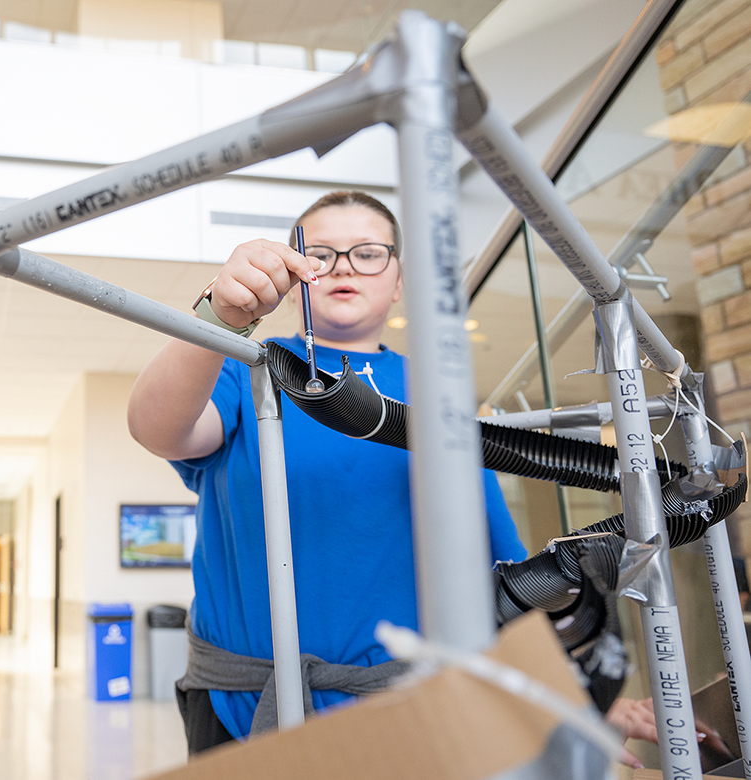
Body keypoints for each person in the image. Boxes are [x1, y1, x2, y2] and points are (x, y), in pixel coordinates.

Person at [128, 190, 527, 754]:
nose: (342, 267)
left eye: (368, 253)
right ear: (296, 275)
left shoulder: (437, 394)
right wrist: (221, 314)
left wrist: (585, 699)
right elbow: (155, 429)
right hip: (240, 710)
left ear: (398, 280)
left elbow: (503, 570)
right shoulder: (250, 368)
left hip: (403, 714)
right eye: (320, 253)